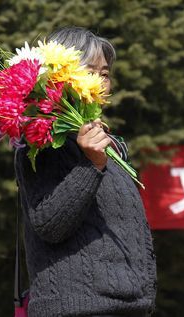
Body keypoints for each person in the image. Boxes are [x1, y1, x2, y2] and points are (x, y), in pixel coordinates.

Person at [14, 26, 157, 317]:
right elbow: (49, 223)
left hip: (128, 308)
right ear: (59, 78)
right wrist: (91, 165)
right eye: (90, 71)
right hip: (77, 309)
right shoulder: (43, 141)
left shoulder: (111, 146)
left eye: (105, 73)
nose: (101, 81)